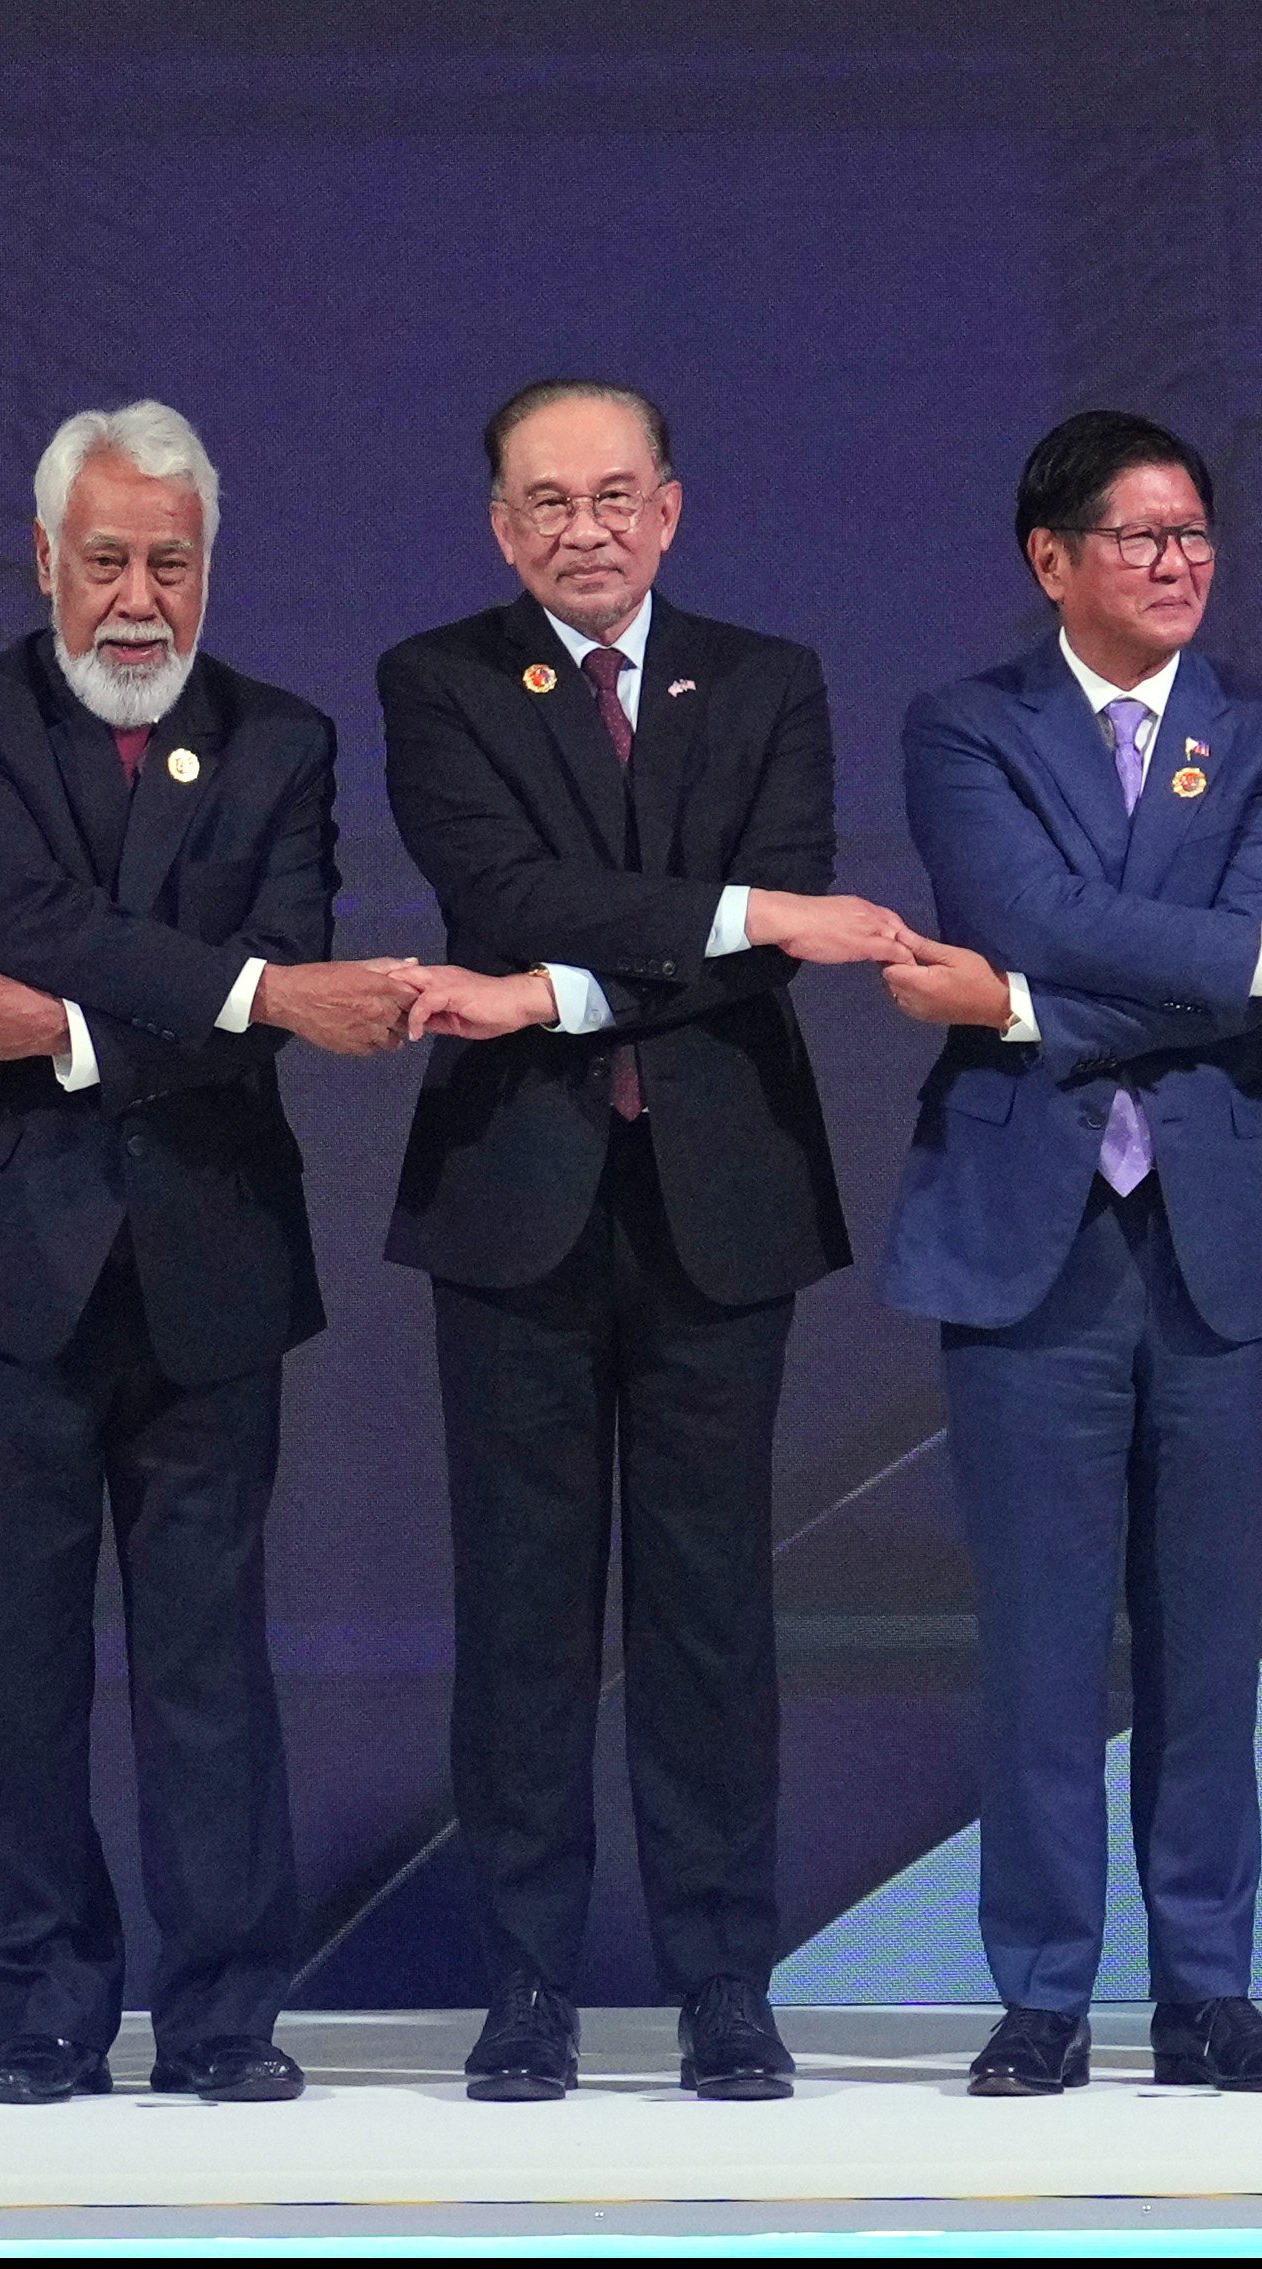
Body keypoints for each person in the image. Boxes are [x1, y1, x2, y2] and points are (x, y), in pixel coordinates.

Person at [385, 380, 913, 2102]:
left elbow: (769, 936)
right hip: (515, 1200)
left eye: (616, 496)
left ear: (671, 509)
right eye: (548, 502)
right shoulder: (440, 680)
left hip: (721, 1201)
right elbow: (509, 896)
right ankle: (526, 1985)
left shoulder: (765, 680)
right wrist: (743, 915)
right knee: (523, 1616)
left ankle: (723, 1986)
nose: (585, 529)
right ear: (499, 525)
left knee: (707, 1616)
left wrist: (561, 988)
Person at [0, 402, 419, 2108]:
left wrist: (81, 1031)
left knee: (209, 1655)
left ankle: (222, 2014)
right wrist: (243, 995)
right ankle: (37, 2007)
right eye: (104, 558)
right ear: (43, 557)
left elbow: (281, 968)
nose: (135, 597)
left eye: (168, 563)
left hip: (207, 1258)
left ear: (210, 569)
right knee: (8, 1653)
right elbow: (13, 920)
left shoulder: (287, 737)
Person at [879, 409, 1262, 2097]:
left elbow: (1062, 954)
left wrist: (1024, 1004)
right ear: (1052, 559)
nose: (1180, 564)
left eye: (1195, 536)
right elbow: (1043, 913)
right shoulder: (965, 725)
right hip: (1029, 1231)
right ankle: (1042, 1991)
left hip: (1220, 1231)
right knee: (1039, 1640)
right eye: (1142, 538)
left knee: (1209, 1640)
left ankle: (1207, 1990)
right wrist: (1255, 963)